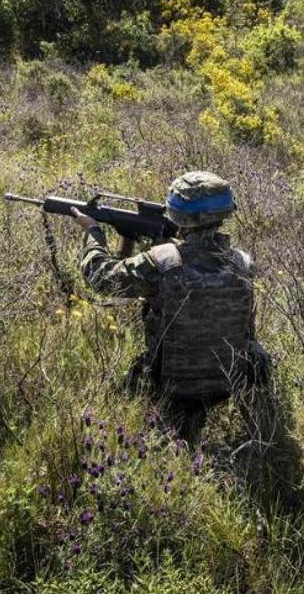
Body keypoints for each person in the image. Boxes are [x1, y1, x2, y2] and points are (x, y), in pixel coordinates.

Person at [69, 170, 268, 443]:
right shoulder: (243, 263)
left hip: (171, 387)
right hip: (227, 386)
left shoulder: (162, 262)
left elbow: (101, 278)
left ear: (176, 213)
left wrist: (93, 232)